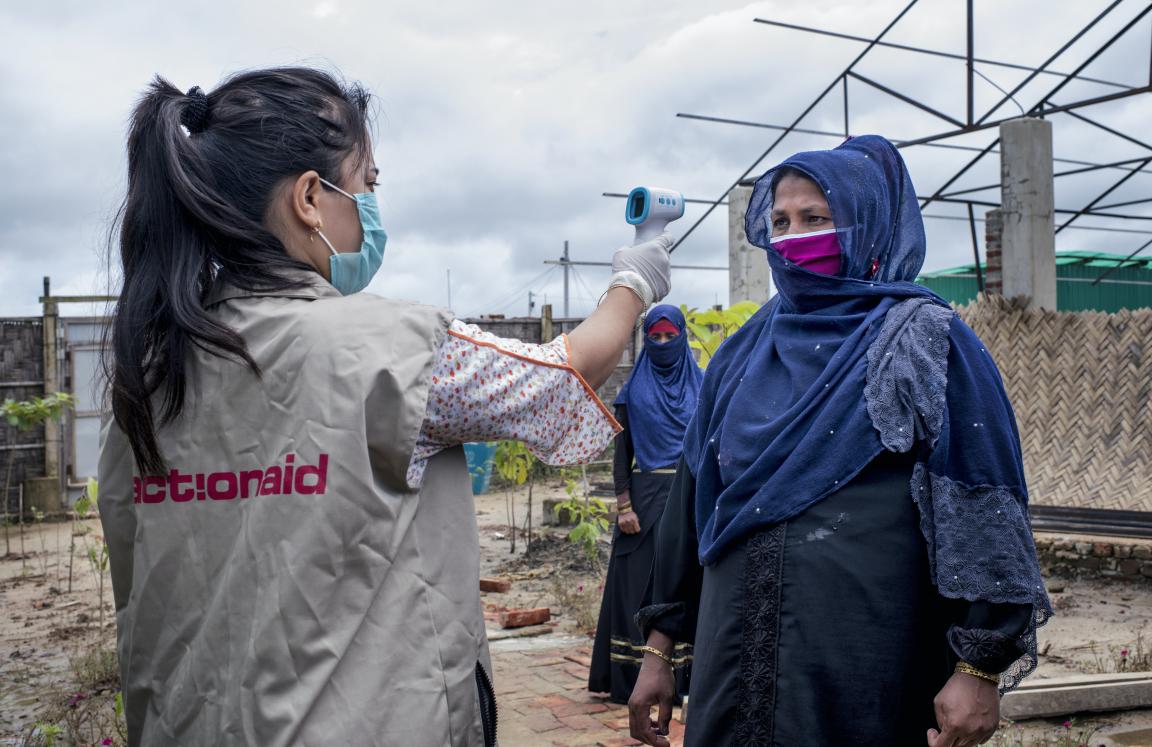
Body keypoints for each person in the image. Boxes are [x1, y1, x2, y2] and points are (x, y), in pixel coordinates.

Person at [96, 67, 672, 747]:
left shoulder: (146, 378)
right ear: (311, 197)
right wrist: (634, 280)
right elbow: (564, 370)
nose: (371, 206)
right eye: (367, 184)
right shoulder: (394, 351)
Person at [627, 136, 1051, 747]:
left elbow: (984, 502)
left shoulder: (927, 341)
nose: (793, 236)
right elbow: (694, 507)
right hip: (732, 656)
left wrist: (979, 665)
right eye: (779, 221)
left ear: (868, 228)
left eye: (816, 219)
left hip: (863, 664)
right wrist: (660, 650)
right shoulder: (741, 354)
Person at [588, 305, 701, 704]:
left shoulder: (704, 389)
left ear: (683, 337)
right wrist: (623, 506)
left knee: (680, 585)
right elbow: (623, 455)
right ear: (646, 339)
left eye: (671, 336)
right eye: (656, 337)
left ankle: (682, 681)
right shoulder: (632, 393)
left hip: (687, 502)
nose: (664, 343)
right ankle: (628, 679)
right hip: (642, 503)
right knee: (633, 588)